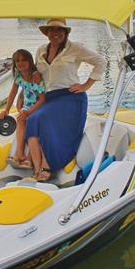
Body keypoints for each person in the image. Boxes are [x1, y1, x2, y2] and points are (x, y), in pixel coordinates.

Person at [25, 18, 106, 182]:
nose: (55, 33)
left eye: (59, 30)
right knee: (30, 119)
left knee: (39, 118)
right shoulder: (41, 50)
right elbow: (39, 75)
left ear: (65, 32)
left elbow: (101, 61)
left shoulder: (75, 48)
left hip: (71, 97)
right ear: (47, 33)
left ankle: (47, 167)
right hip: (48, 98)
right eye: (52, 30)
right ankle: (36, 167)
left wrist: (86, 85)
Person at [0, 49, 47, 168]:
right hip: (27, 106)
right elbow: (12, 93)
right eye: (17, 61)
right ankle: (20, 154)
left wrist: (28, 112)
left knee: (29, 121)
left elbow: (43, 99)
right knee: (20, 119)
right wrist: (6, 110)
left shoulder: (35, 76)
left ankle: (26, 157)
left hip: (39, 106)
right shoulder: (18, 76)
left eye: (24, 60)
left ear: (30, 61)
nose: (21, 63)